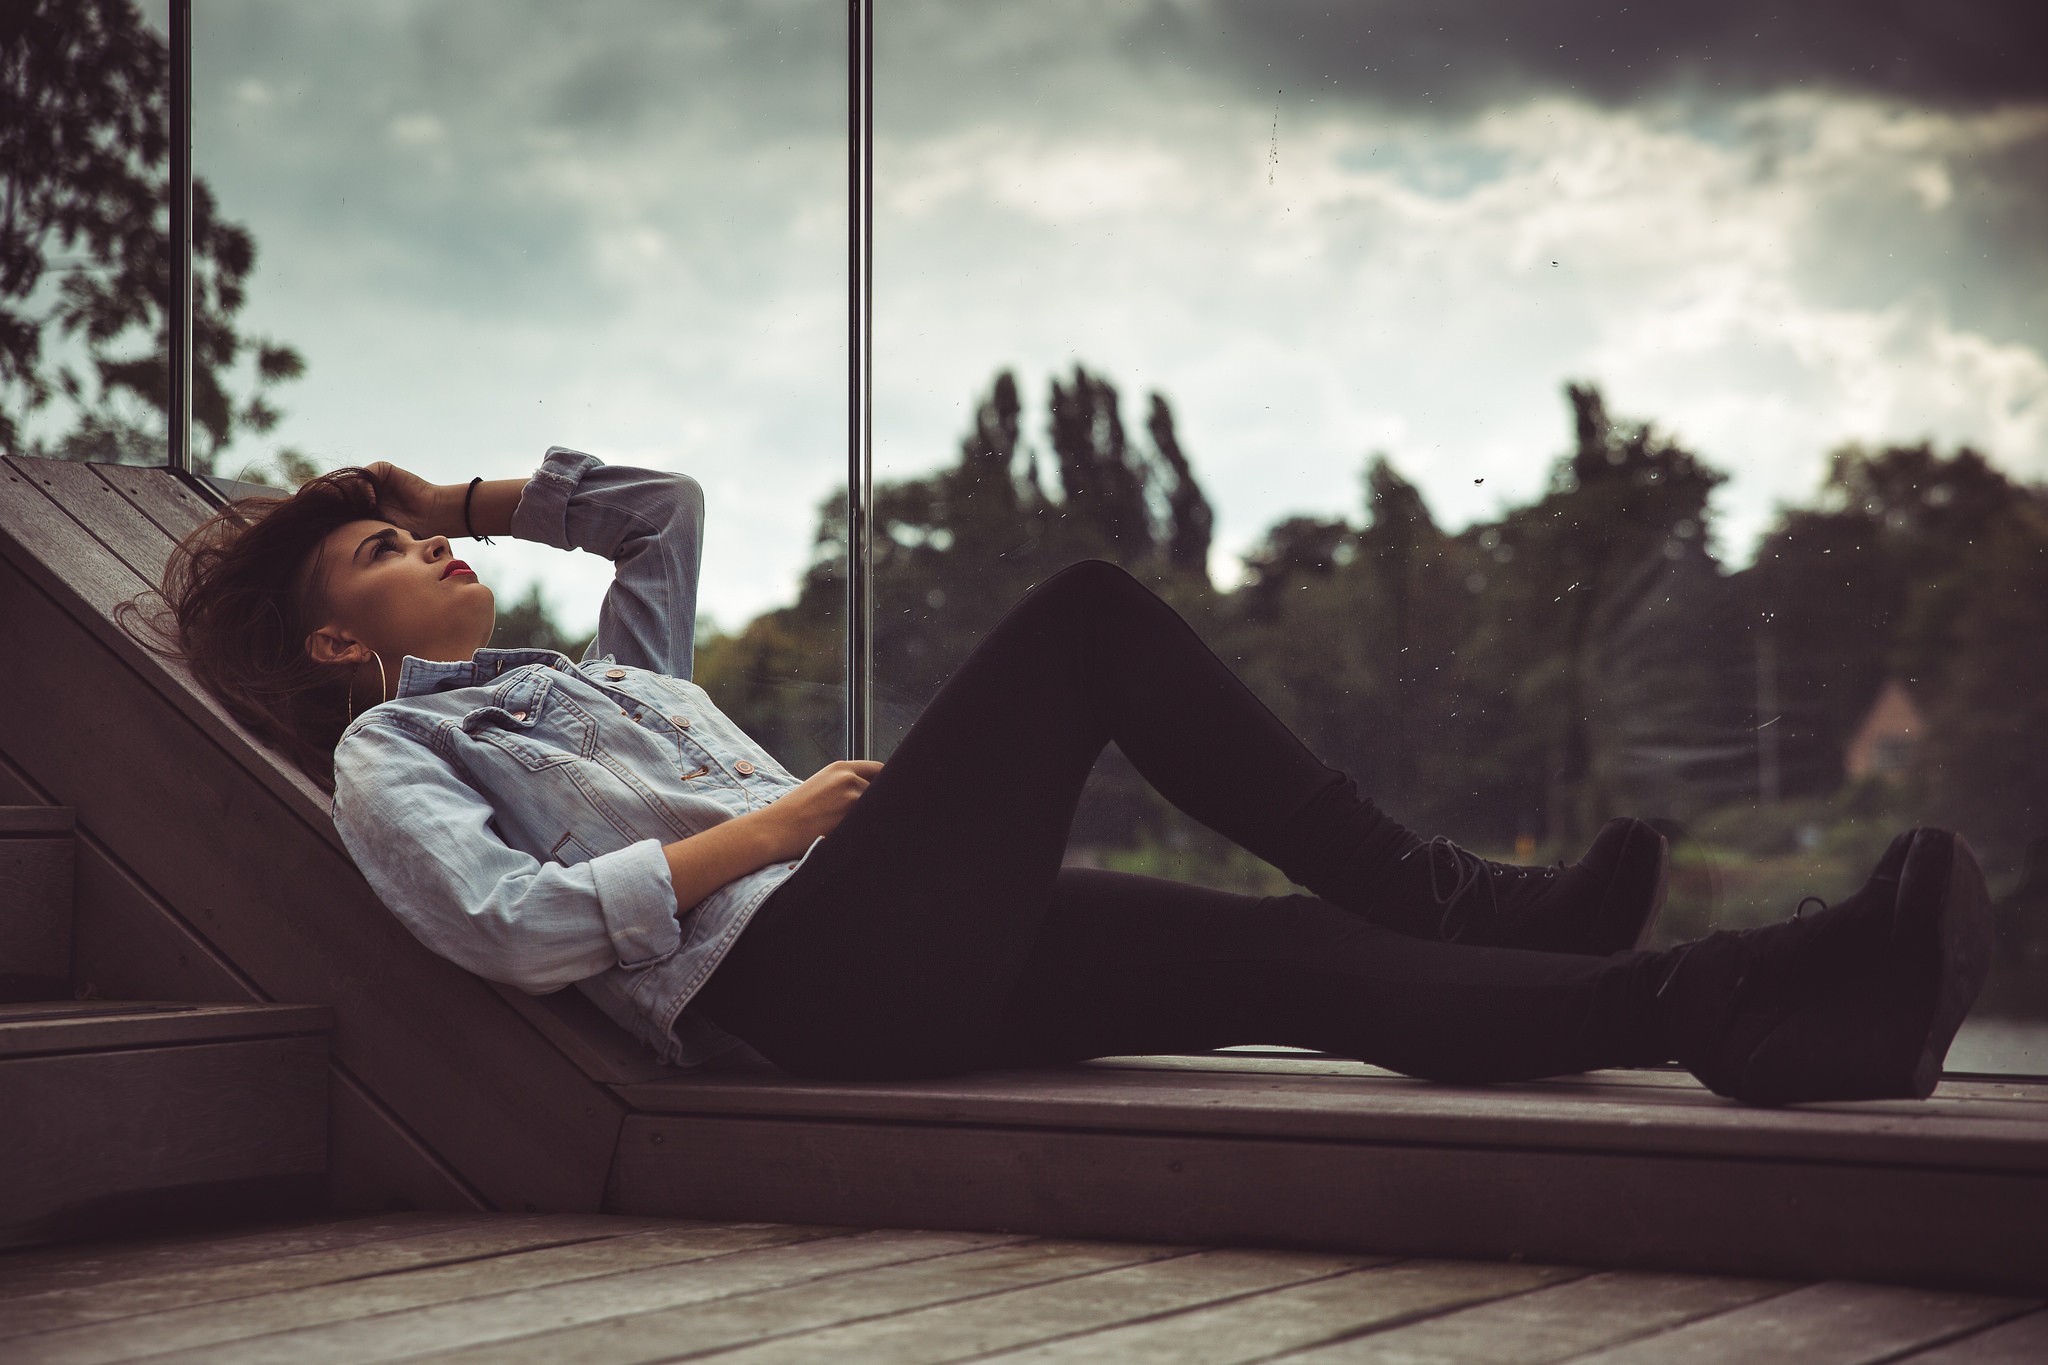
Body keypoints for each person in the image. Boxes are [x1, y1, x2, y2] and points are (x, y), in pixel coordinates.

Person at [150, 447, 1992, 1104]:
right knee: (1090, 615)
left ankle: (1748, 1008)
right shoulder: (404, 744)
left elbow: (660, 511)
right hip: (797, 976)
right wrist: (768, 827)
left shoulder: (591, 674)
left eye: (424, 535)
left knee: (1294, 965)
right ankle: (1451, 883)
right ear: (339, 647)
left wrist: (462, 495)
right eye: (391, 559)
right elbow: (510, 923)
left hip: (889, 948)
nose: (440, 556)